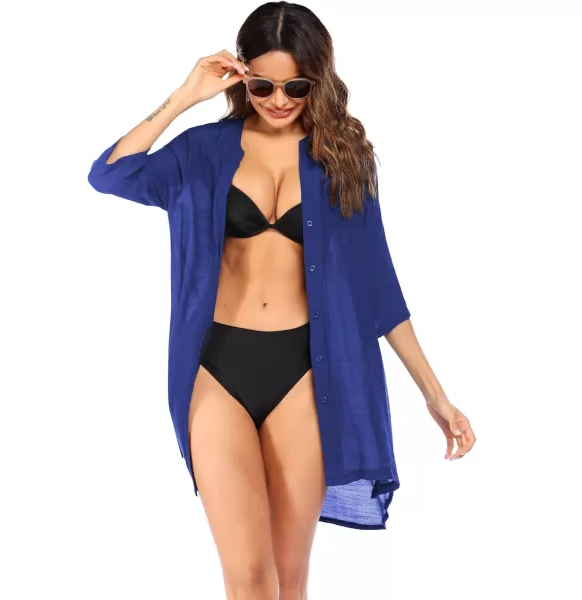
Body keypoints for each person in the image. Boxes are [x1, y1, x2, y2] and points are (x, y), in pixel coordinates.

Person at [87, 2, 476, 598]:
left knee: (289, 581)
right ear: (242, 77)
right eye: (263, 85)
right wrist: (184, 96)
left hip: (306, 375)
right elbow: (110, 174)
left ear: (317, 79)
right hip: (216, 371)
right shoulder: (203, 151)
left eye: (295, 86)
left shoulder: (343, 159)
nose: (278, 100)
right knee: (248, 574)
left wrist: (436, 396)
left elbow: (379, 287)